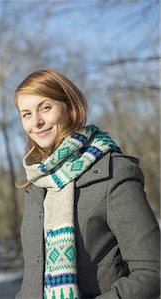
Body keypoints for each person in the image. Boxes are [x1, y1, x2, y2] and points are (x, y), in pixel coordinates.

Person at [13, 69, 160, 299]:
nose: (37, 122)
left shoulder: (114, 173)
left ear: (70, 107)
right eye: (26, 114)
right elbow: (33, 279)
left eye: (46, 107)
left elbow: (152, 273)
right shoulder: (36, 185)